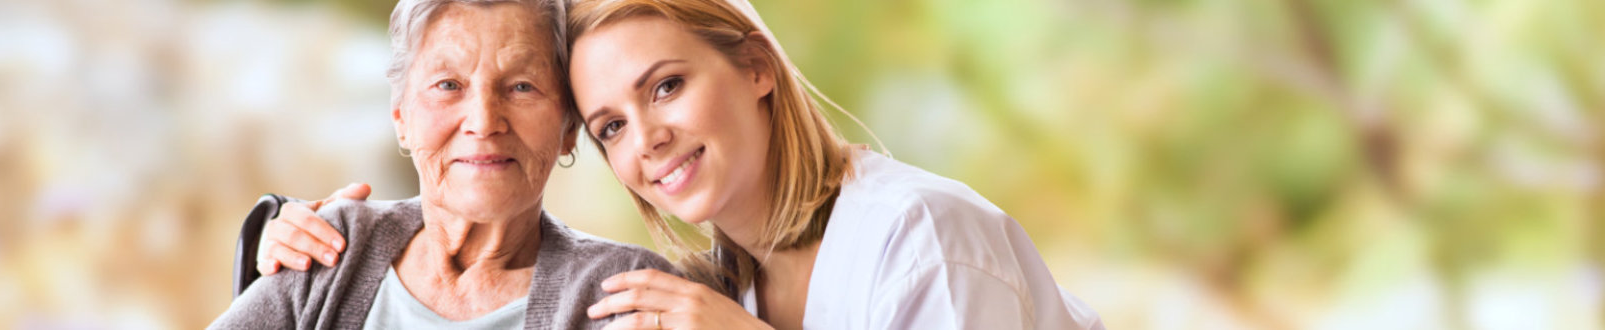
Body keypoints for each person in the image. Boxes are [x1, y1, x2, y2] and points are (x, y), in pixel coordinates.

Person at [256, 0, 1106, 328]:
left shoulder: (924, 241)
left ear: (757, 67)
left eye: (666, 86)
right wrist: (273, 244)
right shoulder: (714, 289)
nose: (647, 140)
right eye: (612, 125)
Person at [206, 0, 674, 329]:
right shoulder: (335, 245)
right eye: (448, 85)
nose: (484, 122)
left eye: (521, 87)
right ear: (401, 118)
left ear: (568, 127)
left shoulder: (624, 293)